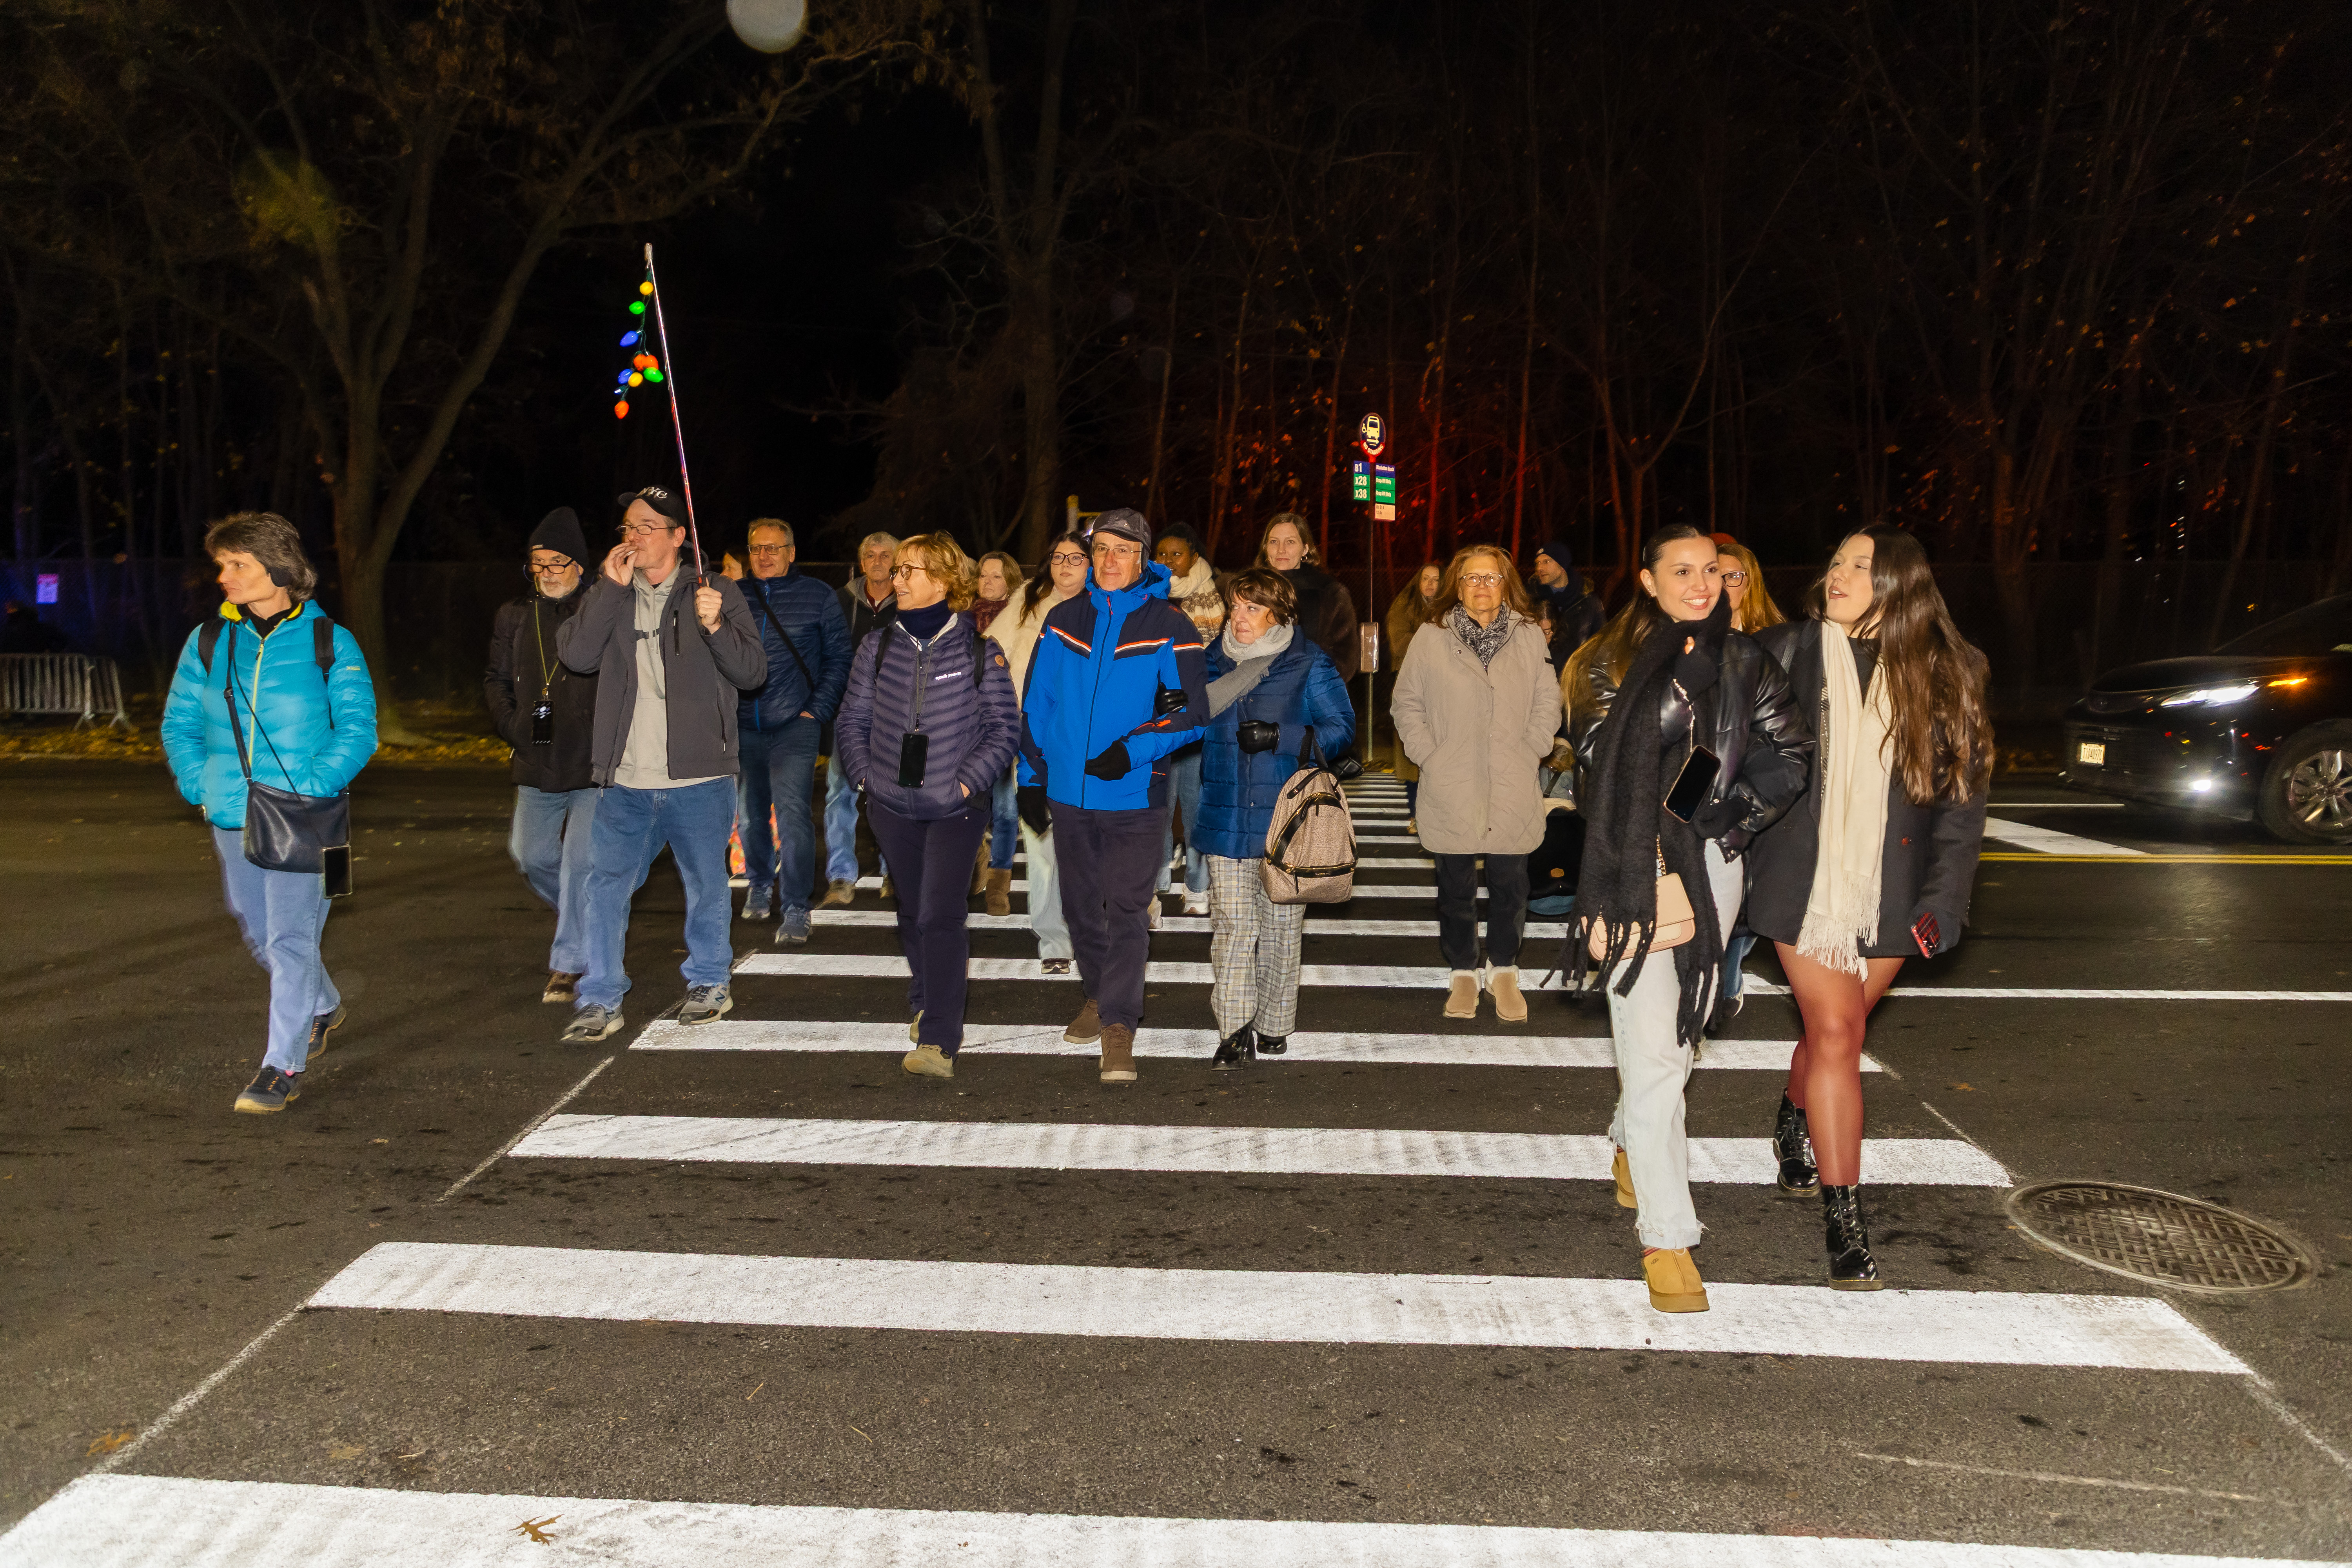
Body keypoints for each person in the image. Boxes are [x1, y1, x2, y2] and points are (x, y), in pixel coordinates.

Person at [1566, 523, 1811, 1314]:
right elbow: (1601, 760)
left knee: (1683, 1031)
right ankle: (1668, 1236)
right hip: (1631, 866)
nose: (1702, 583)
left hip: (1714, 862)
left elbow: (1790, 755)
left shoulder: (1750, 661)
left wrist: (1733, 816)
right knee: (1657, 1046)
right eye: (1683, 570)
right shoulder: (1608, 662)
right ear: (1648, 579)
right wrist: (1684, 681)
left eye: (1713, 570)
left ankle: (1630, 1132)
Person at [1747, 526, 1991, 1288]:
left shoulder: (1950, 673)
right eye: (1837, 559)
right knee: (1838, 1029)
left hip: (1893, 887)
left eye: (1863, 564)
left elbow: (1961, 803)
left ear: (1901, 585)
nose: (1841, 572)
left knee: (1831, 1035)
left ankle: (1794, 1114)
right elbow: (1718, 753)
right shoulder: (1780, 652)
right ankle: (1844, 1222)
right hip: (1801, 879)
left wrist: (1945, 898)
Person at [161, 512, 377, 1114]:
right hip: (230, 811)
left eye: (238, 565)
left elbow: (359, 730)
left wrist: (314, 784)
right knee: (258, 931)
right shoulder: (209, 641)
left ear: (278, 570)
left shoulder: (328, 640)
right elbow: (180, 723)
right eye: (222, 566)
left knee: (288, 941)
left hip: (304, 817)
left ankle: (280, 1067)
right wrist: (197, 783)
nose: (224, 577)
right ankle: (325, 1006)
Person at [554, 485, 767, 1042]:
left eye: (647, 526)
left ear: (678, 536)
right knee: (604, 888)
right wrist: (606, 588)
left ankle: (709, 982)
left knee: (705, 884)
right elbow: (575, 656)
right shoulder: (611, 594)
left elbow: (753, 673)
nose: (634, 536)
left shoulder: (714, 590)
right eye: (628, 526)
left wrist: (718, 626)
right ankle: (600, 997)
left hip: (700, 777)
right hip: (624, 780)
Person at [1016, 507, 1209, 1083]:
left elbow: (1189, 713)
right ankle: (1100, 995)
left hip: (1134, 795)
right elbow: (1037, 705)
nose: (1109, 560)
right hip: (1069, 796)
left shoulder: (1171, 627)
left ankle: (1119, 1026)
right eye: (1100, 549)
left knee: (1126, 910)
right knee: (1080, 908)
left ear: (1143, 557)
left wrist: (1132, 750)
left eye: (1123, 549)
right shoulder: (1062, 618)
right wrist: (1032, 779)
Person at [837, 534, 1021, 1080]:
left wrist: (966, 784)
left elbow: (1004, 730)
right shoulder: (878, 646)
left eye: (909, 570)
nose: (897, 579)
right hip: (892, 805)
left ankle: (940, 1039)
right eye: (897, 570)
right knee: (912, 911)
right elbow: (852, 721)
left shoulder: (980, 651)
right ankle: (924, 997)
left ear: (942, 581)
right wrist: (866, 777)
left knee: (941, 915)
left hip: (955, 809)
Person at [1193, 568, 1355, 1068]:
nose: (1239, 618)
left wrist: (1281, 738)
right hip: (1224, 815)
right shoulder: (1208, 662)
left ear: (1279, 614)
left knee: (1282, 929)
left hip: (1287, 822)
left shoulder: (1307, 662)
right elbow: (1187, 724)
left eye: (1253, 608)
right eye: (1236, 607)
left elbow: (1341, 729)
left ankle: (1275, 1022)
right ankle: (1235, 1030)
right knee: (1234, 928)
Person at [1390, 545, 1559, 1023]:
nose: (1482, 586)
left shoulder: (1528, 636)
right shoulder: (1431, 636)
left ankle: (1503, 967)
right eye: (1471, 578)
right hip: (1452, 779)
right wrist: (1429, 754)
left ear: (1507, 583)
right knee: (1455, 887)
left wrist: (1534, 744)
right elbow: (1407, 703)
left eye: (1492, 578)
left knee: (1511, 885)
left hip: (1512, 777)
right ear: (1456, 586)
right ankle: (1463, 969)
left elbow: (1549, 697)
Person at [484, 507, 603, 1003]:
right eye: (540, 563)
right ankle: (588, 920)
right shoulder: (513, 614)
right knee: (531, 855)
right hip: (536, 755)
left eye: (559, 562)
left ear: (580, 565)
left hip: (595, 760)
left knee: (579, 861)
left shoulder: (602, 606)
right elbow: (494, 679)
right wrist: (513, 726)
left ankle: (568, 964)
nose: (550, 573)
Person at [729, 518, 852, 946]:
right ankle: (760, 881)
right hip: (744, 725)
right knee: (749, 814)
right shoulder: (732, 596)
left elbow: (839, 658)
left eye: (774, 548)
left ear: (792, 552)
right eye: (757, 548)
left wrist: (815, 712)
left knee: (795, 813)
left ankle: (796, 903)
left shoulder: (818, 596)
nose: (764, 556)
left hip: (795, 725)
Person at [988, 532, 1087, 974]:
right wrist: (1002, 708)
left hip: (1092, 738)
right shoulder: (1027, 599)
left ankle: (1099, 927)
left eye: (1076, 558)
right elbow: (991, 650)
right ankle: (1054, 942)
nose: (1065, 565)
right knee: (1041, 838)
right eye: (1058, 557)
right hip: (1034, 734)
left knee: (1092, 841)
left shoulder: (1107, 603)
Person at [821, 531, 899, 906]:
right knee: (840, 793)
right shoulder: (840, 602)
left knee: (894, 795)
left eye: (886, 555)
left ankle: (894, 873)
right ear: (861, 560)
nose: (878, 561)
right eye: (871, 554)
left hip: (896, 718)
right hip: (849, 716)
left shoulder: (912, 600)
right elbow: (827, 656)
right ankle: (840, 877)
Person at [1154, 522, 1226, 916]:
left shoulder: (1212, 600)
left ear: (1194, 558)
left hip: (1198, 715)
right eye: (1161, 554)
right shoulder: (1147, 597)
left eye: (1175, 553)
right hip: (1154, 717)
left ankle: (1198, 885)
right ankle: (1156, 882)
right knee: (1156, 802)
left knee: (1195, 801)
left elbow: (1219, 660)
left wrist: (1194, 694)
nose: (1166, 561)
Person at [971, 551, 1027, 917]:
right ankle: (975, 865)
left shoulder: (1026, 618)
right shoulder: (961, 619)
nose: (989, 583)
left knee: (1007, 808)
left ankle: (999, 885)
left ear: (1011, 580)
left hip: (1009, 719)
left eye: (997, 577)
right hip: (968, 724)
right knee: (972, 804)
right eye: (984, 576)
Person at [1256, 512, 1359, 681]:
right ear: (1266, 548)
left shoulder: (1330, 593)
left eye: (1290, 542)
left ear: (1305, 549)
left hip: (1309, 698)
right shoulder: (1248, 591)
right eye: (1274, 542)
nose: (1281, 549)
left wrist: (1314, 686)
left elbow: (1346, 656)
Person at [1383, 562, 1441, 826]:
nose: (1430, 584)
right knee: (1412, 751)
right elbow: (1398, 644)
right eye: (1425, 578)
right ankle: (1416, 813)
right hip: (1411, 685)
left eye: (1436, 580)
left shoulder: (1453, 608)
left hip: (1443, 687)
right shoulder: (1403, 607)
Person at [1530, 538, 1606, 670]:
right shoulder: (1530, 600)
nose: (1540, 568)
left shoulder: (1589, 602)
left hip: (1576, 682)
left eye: (1546, 562)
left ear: (1562, 566)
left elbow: (1603, 646)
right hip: (1540, 681)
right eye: (1538, 563)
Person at [1713, 535, 1788, 634]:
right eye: (1715, 577)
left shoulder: (1774, 637)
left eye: (1733, 576)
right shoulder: (1699, 636)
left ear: (1751, 583)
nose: (1722, 587)